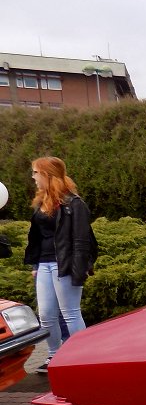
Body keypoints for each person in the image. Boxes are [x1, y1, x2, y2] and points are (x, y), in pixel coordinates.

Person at [23, 156, 97, 374]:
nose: (33, 177)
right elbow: (36, 236)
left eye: (36, 172)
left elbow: (82, 240)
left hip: (64, 264)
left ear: (47, 174)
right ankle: (55, 357)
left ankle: (82, 358)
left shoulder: (74, 204)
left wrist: (79, 269)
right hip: (44, 264)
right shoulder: (40, 202)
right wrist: (35, 263)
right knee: (45, 315)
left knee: (71, 313)